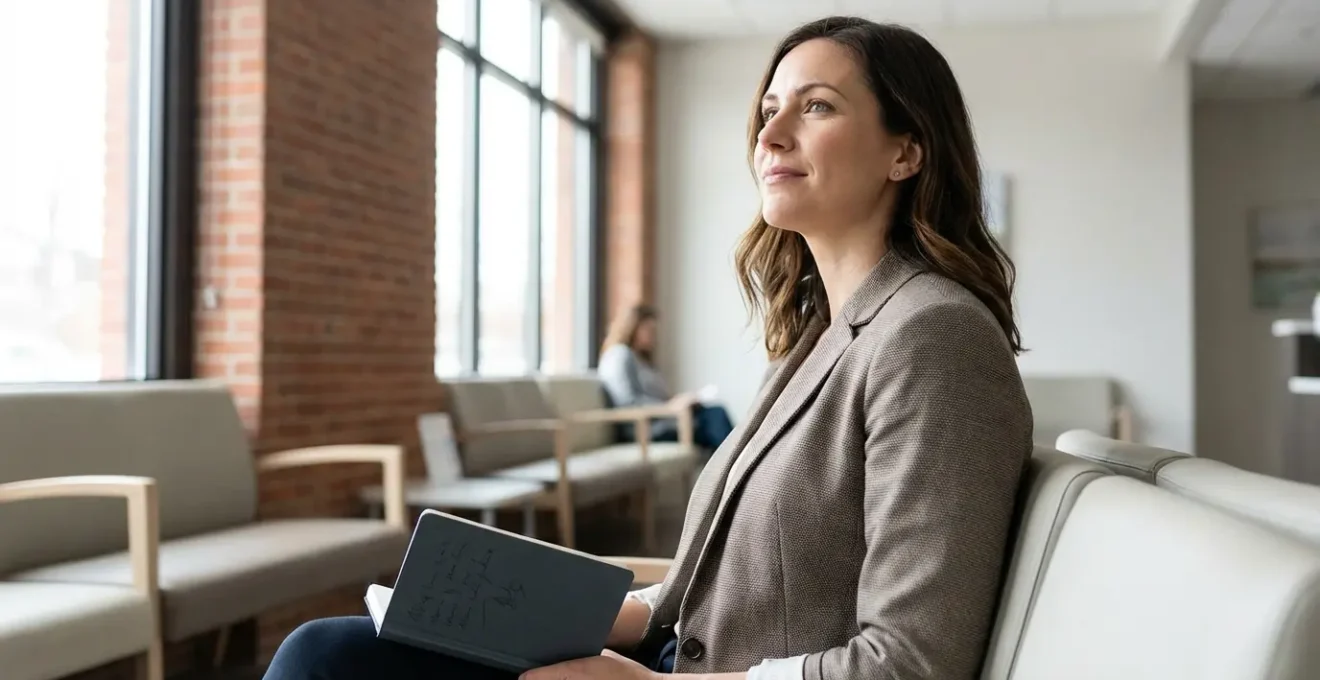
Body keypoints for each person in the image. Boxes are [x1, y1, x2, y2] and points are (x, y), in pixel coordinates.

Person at [262, 15, 1032, 680]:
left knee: (324, 664)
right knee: (328, 651)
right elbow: (722, 581)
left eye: (817, 106)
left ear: (907, 152)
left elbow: (911, 662)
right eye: (767, 110)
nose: (769, 135)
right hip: (669, 652)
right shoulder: (819, 335)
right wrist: (596, 614)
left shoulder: (933, 335)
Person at [596, 303, 736, 452]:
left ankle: (729, 467)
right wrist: (669, 407)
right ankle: (736, 466)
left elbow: (662, 398)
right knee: (715, 416)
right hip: (644, 430)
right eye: (649, 329)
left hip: (664, 420)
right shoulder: (619, 355)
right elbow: (627, 403)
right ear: (633, 327)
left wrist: (682, 401)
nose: (653, 335)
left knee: (713, 415)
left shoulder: (644, 361)